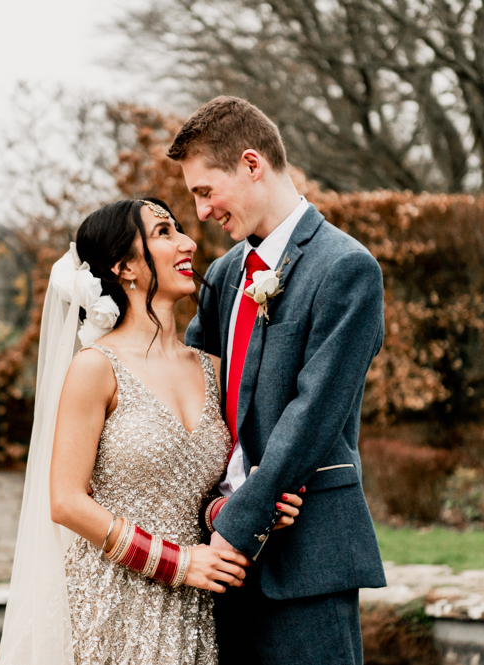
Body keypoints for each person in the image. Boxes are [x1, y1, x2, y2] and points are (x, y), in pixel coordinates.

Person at [0, 198, 303, 665]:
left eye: (179, 230)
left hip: (195, 610)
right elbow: (66, 501)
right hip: (113, 602)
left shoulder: (217, 371)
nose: (188, 242)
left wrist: (258, 504)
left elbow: (207, 493)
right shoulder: (96, 368)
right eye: (164, 232)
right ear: (125, 268)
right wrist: (178, 563)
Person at [171, 96, 388, 664]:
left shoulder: (346, 268)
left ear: (251, 164)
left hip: (307, 556)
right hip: (222, 560)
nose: (200, 214)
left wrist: (235, 524)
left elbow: (314, 415)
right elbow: (193, 389)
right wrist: (213, 514)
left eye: (204, 190)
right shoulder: (224, 276)